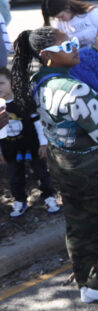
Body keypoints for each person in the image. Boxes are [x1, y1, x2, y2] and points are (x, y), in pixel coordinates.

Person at [11, 27, 98, 303]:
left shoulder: (37, 82)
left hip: (63, 163)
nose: (74, 48)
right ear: (47, 55)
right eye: (66, 45)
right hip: (95, 166)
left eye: (73, 43)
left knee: (80, 222)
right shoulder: (75, 90)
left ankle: (87, 279)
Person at [0, 67, 60, 217]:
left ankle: (48, 196)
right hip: (10, 149)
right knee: (15, 176)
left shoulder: (24, 101)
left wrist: (43, 143)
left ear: (12, 83)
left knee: (41, 172)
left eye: (1, 83)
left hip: (32, 145)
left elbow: (38, 123)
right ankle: (20, 200)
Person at [41, 0, 98, 76]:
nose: (60, 20)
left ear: (68, 7)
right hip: (87, 66)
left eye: (61, 16)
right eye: (56, 18)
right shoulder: (59, 22)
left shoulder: (92, 13)